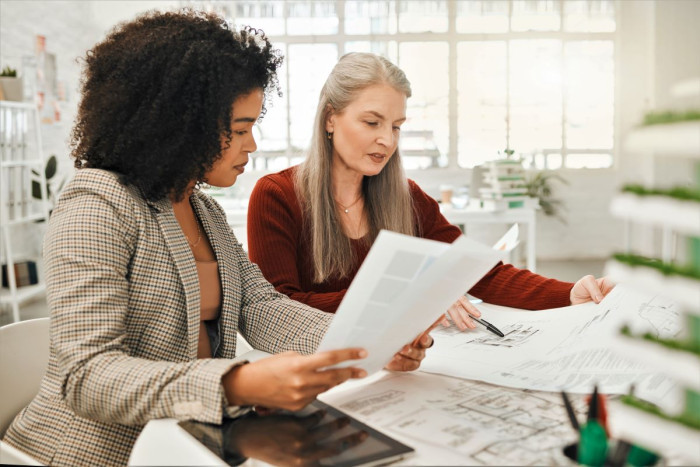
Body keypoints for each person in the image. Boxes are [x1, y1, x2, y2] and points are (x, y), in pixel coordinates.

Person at [2, 15, 431, 467]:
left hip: (185, 445)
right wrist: (237, 383)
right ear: (181, 125)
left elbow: (258, 305)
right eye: (241, 128)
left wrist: (369, 344)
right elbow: (86, 376)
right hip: (86, 455)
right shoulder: (97, 205)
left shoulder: (202, 209)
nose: (252, 145)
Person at [247, 52, 615, 330]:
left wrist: (567, 292)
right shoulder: (276, 196)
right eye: (372, 122)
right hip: (317, 365)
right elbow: (280, 308)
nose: (386, 139)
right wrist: (408, 297)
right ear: (330, 118)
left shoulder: (406, 197)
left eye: (396, 126)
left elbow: (479, 272)